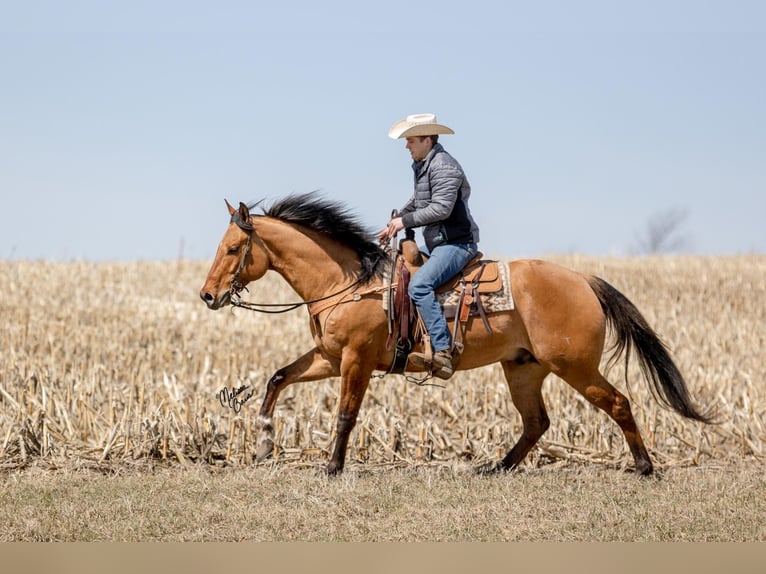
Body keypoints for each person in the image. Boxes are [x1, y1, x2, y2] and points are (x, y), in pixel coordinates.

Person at [378, 113, 480, 380]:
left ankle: (443, 351)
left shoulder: (444, 166)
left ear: (428, 139)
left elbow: (441, 208)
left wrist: (404, 221)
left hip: (457, 245)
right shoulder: (424, 165)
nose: (406, 146)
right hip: (440, 245)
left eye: (411, 140)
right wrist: (395, 221)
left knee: (420, 285)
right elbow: (418, 200)